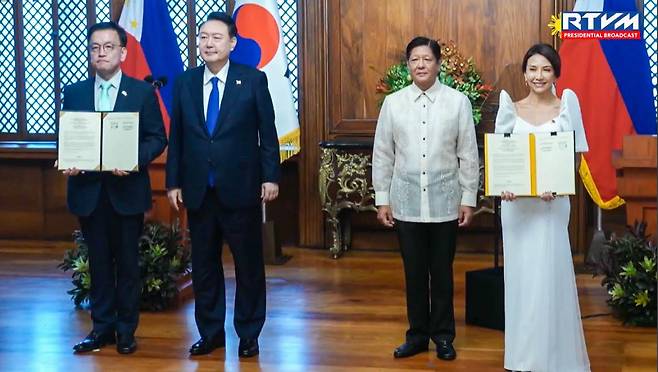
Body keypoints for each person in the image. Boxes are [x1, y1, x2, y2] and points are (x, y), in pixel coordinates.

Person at [165, 12, 280, 358]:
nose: (208, 43)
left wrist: (270, 175)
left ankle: (248, 332)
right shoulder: (185, 82)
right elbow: (179, 137)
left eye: (216, 37)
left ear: (232, 43)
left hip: (241, 188)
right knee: (204, 267)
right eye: (203, 37)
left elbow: (268, 134)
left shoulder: (253, 80)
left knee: (247, 266)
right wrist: (173, 182)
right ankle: (211, 332)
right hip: (200, 190)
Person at [60, 22, 167, 354]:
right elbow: (69, 136)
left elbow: (157, 138)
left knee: (128, 264)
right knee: (99, 264)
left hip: (127, 192)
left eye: (108, 47)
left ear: (122, 52)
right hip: (88, 192)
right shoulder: (74, 92)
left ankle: (126, 331)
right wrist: (70, 158)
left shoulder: (141, 92)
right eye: (95, 47)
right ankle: (101, 328)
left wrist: (134, 158)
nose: (101, 52)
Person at [372, 36, 479, 361]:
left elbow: (468, 154)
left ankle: (444, 337)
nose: (421, 65)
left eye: (427, 59)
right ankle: (417, 336)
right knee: (414, 273)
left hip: (446, 202)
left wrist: (468, 197)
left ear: (438, 64)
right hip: (405, 202)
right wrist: (382, 198)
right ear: (408, 66)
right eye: (415, 60)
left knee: (442, 273)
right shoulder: (393, 103)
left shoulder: (457, 102)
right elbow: (382, 154)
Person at [495, 43, 590, 372]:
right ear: (524, 73)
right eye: (533, 69)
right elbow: (502, 158)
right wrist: (504, 186)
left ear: (555, 74)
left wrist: (559, 181)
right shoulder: (510, 108)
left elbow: (575, 156)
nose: (538, 75)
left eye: (546, 69)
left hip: (551, 207)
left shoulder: (567, 106)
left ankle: (553, 358)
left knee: (548, 276)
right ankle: (521, 359)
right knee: (520, 280)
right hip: (517, 210)